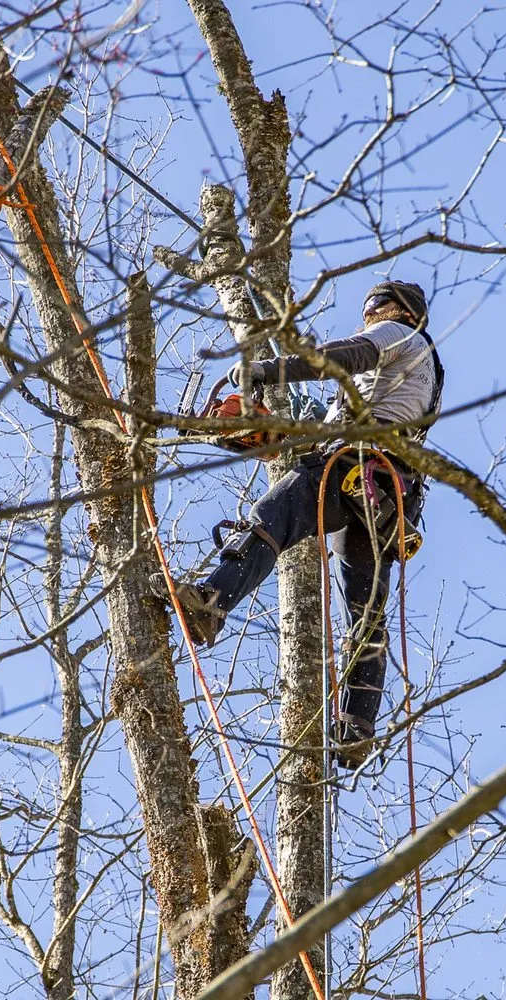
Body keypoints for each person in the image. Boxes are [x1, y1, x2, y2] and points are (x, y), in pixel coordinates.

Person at [171, 280, 443, 769]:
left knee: (272, 518)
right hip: (385, 502)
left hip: (349, 466)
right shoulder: (415, 376)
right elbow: (323, 417)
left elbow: (341, 357)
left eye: (376, 306)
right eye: (368, 308)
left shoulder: (399, 337)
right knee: (366, 615)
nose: (369, 315)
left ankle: (212, 601)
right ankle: (358, 726)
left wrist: (268, 370)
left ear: (402, 312)